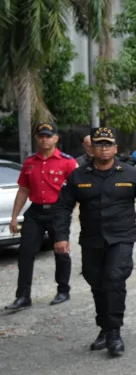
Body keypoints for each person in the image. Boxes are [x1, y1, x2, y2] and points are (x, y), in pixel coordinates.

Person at [53, 127, 136, 356]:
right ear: (92, 147)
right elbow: (62, 207)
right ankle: (105, 328)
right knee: (97, 284)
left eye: (108, 144)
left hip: (121, 238)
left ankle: (114, 333)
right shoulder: (79, 176)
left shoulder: (131, 174)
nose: (104, 148)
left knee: (114, 280)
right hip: (91, 240)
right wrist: (60, 236)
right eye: (99, 144)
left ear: (116, 148)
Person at [4, 123, 78, 313]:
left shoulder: (67, 162)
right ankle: (23, 296)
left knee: (61, 251)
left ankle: (63, 290)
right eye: (41, 136)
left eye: (48, 136)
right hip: (35, 213)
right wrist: (14, 218)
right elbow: (23, 191)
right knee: (25, 253)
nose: (44, 139)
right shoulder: (29, 163)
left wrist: (72, 212)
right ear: (37, 138)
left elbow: (77, 190)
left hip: (58, 212)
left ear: (56, 138)